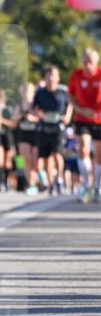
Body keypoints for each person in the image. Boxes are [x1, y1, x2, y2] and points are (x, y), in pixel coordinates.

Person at [67, 47, 101, 203]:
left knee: (99, 155)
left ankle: (97, 187)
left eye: (91, 62)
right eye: (85, 61)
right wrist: (81, 110)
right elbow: (70, 96)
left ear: (96, 62)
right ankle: (86, 186)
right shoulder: (76, 75)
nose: (88, 65)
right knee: (84, 148)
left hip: (99, 119)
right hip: (82, 118)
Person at [33, 66, 69, 195]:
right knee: (47, 157)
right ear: (45, 77)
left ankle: (59, 179)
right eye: (49, 75)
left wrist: (68, 116)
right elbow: (34, 108)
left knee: (57, 154)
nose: (51, 78)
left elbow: (70, 104)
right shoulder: (40, 92)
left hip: (58, 127)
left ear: (58, 78)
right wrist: (38, 113)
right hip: (44, 127)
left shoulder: (63, 92)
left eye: (53, 75)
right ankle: (51, 183)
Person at [13, 82, 40, 194]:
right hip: (23, 135)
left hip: (36, 135)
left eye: (28, 91)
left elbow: (41, 118)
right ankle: (31, 184)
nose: (26, 93)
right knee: (26, 160)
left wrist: (32, 118)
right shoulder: (18, 106)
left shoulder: (37, 104)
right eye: (25, 91)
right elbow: (14, 122)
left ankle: (37, 178)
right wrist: (20, 116)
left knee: (35, 161)